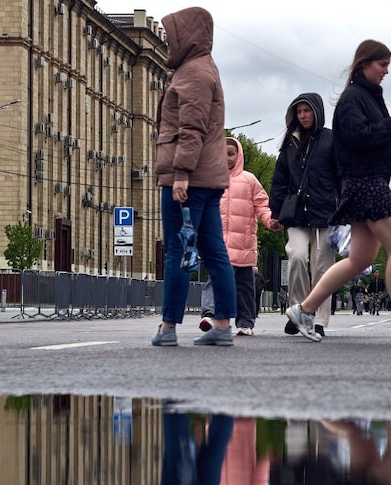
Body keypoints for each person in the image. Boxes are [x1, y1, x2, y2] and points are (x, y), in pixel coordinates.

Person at [284, 39, 391, 344]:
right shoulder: (352, 99)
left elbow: (380, 140)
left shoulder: (368, 96)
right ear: (364, 64)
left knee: (358, 259)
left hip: (364, 182)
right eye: (382, 65)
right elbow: (358, 139)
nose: (386, 71)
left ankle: (304, 310)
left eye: (388, 66)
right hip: (366, 181)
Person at [151, 7, 238, 347]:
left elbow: (191, 130)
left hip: (188, 180)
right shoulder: (201, 69)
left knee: (176, 252)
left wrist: (182, 175)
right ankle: (222, 326)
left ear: (187, 36)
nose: (169, 42)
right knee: (214, 251)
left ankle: (168, 327)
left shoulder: (194, 74)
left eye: (172, 35)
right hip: (207, 178)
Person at [270, 93, 339, 338]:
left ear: (317, 112)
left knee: (323, 269)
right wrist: (274, 212)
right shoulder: (291, 141)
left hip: (325, 213)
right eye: (298, 112)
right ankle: (298, 311)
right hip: (296, 212)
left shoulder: (331, 139)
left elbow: (341, 177)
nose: (302, 116)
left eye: (306, 111)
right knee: (296, 257)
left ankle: (319, 318)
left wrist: (347, 211)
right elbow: (280, 179)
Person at [198, 137, 280, 337]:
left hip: (243, 245)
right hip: (217, 243)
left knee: (244, 287)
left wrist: (270, 221)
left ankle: (245, 323)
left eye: (231, 154)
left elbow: (262, 205)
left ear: (239, 155)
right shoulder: (211, 180)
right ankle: (209, 314)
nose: (227, 158)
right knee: (214, 279)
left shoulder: (249, 180)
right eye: (223, 153)